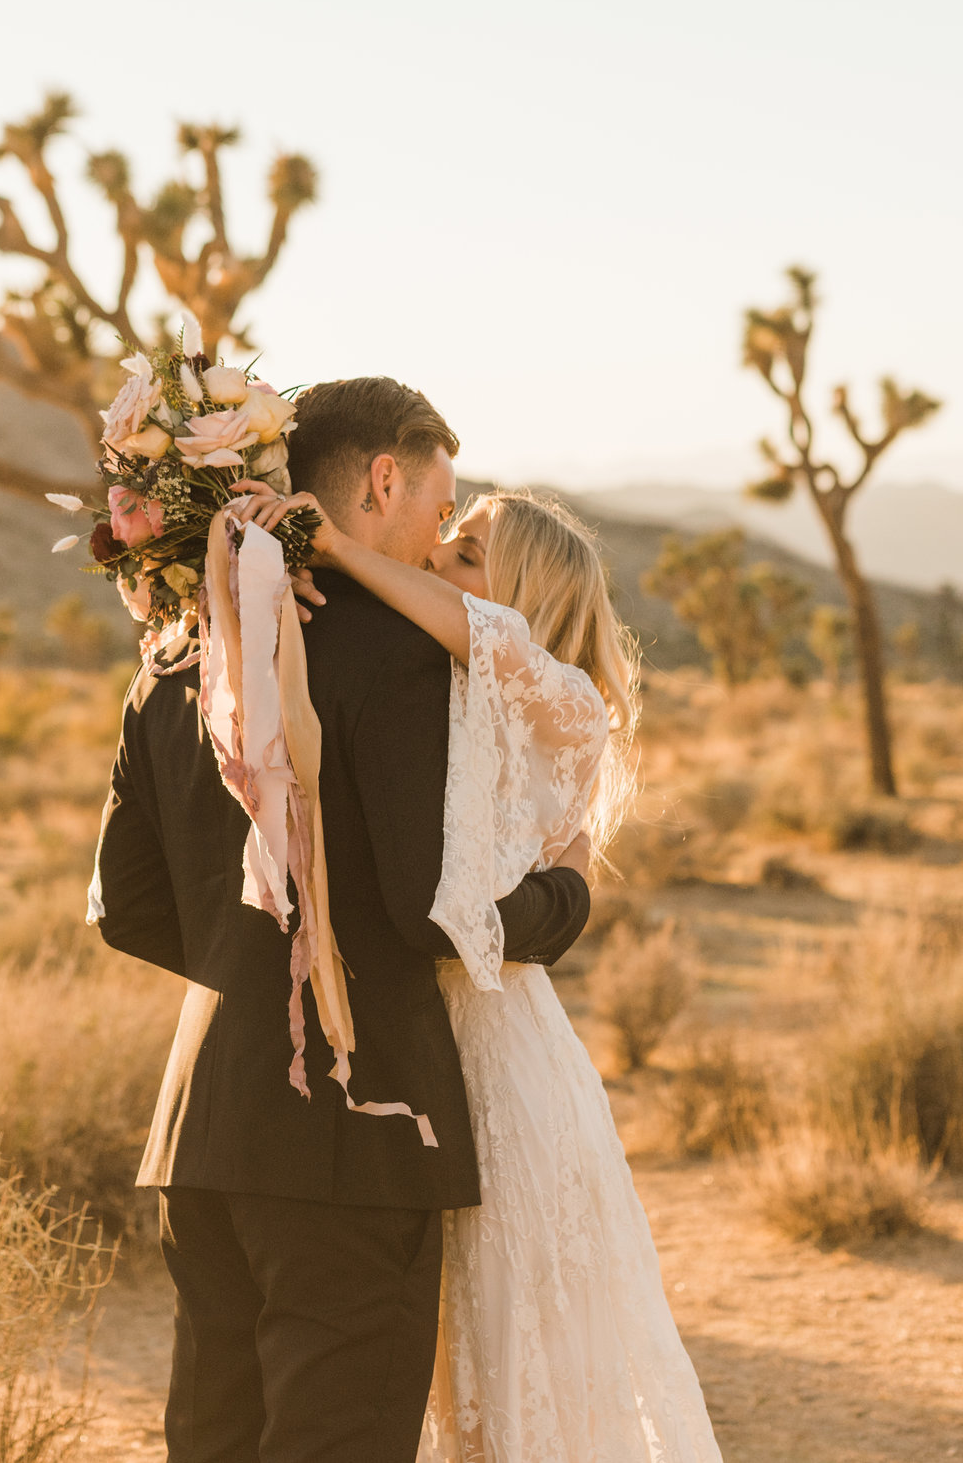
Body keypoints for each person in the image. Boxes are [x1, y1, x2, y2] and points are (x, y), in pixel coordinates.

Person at [89, 377, 594, 1463]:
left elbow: (124, 907)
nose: (440, 531)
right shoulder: (409, 660)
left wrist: (257, 962)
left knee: (214, 1441)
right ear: (381, 479)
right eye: (441, 500)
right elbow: (428, 914)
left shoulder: (178, 648)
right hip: (356, 1138)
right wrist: (567, 898)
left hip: (204, 1129)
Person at [228, 479, 725, 1462]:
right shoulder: (451, 690)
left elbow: (481, 633)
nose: (441, 552)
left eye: (467, 547)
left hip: (500, 1048)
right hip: (423, 1030)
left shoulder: (563, 696)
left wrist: (332, 544)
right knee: (437, 1340)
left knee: (512, 1327)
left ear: (524, 592)